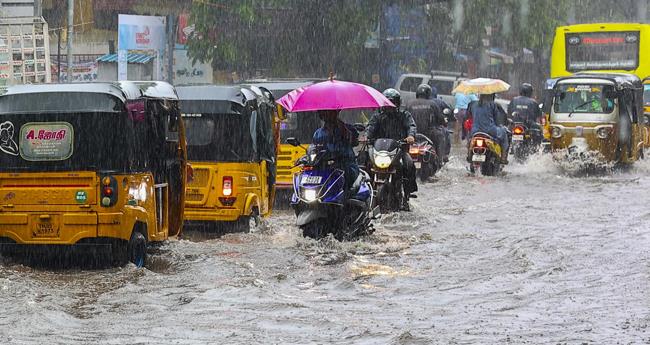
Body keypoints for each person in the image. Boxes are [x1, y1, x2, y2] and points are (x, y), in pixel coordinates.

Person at [367, 88, 418, 202]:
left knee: (409, 164)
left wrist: (410, 136)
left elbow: (411, 126)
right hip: (379, 151)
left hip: (399, 150)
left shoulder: (404, 115)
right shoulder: (378, 116)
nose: (390, 105)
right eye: (387, 102)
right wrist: (366, 136)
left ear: (397, 103)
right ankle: (365, 190)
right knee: (364, 161)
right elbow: (370, 127)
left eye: (393, 102)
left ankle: (407, 194)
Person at [312, 110, 359, 197]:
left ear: (336, 113)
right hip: (325, 168)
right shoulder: (318, 133)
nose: (326, 115)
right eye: (323, 113)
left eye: (329, 113)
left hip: (346, 166)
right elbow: (314, 149)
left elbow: (355, 141)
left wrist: (346, 132)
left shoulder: (347, 129)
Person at [405, 84, 448, 164]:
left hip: (412, 134)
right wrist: (443, 122)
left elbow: (404, 118)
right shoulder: (432, 104)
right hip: (429, 133)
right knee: (441, 136)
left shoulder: (409, 103)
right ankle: (439, 160)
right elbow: (440, 119)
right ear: (429, 94)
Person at [468, 93, 511, 164]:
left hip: (475, 131)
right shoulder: (493, 105)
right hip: (490, 131)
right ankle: (503, 157)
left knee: (469, 139)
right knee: (504, 131)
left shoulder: (472, 104)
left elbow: (468, 116)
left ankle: (469, 154)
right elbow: (498, 121)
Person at [430, 86, 453, 161]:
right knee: (445, 135)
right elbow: (448, 111)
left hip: (422, 128)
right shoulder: (438, 102)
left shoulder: (418, 102)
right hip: (436, 127)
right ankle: (443, 156)